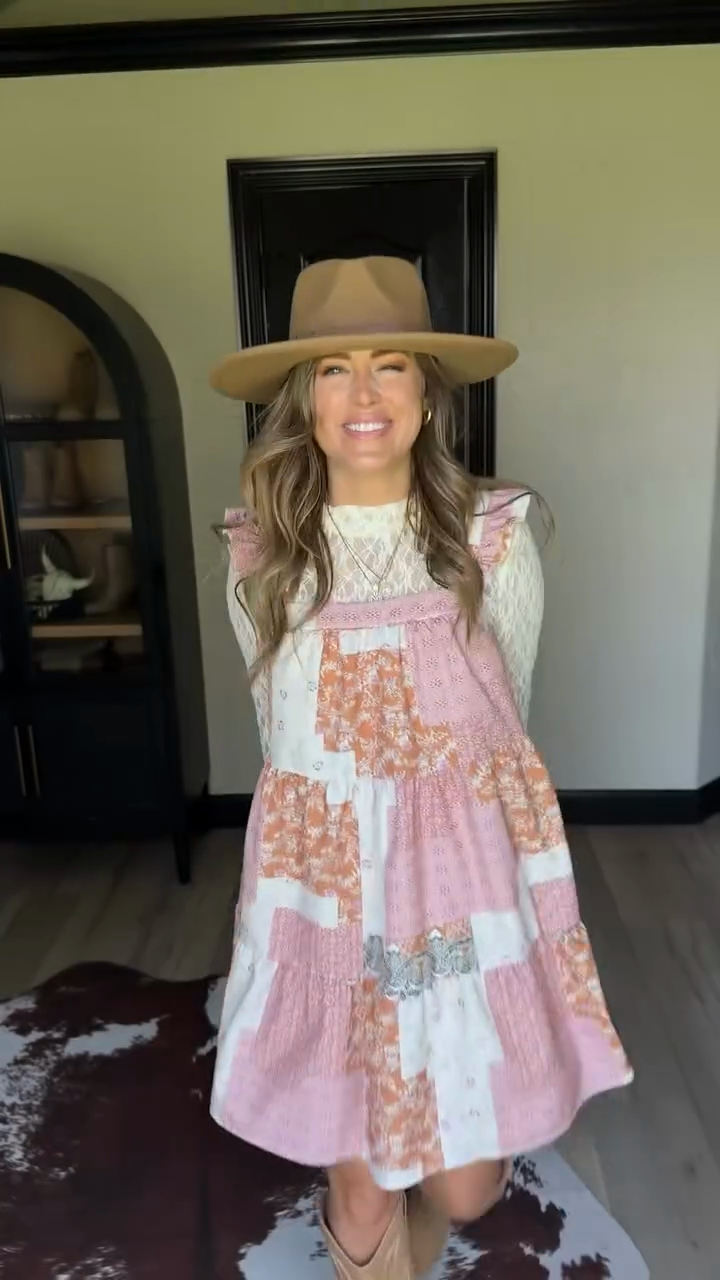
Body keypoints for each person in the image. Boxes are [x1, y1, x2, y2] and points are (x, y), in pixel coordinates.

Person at [208, 256, 632, 1279]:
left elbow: (509, 717)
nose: (363, 393)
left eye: (389, 364)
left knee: (465, 1186)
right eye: (334, 369)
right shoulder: (261, 555)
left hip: (461, 879)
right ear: (303, 400)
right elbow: (280, 738)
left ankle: (403, 1172)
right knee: (365, 1182)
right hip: (331, 884)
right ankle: (359, 1207)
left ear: (427, 392)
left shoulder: (496, 536)